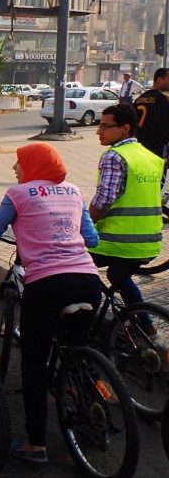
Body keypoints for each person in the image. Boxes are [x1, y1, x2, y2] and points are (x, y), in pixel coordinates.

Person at [0, 143, 101, 464]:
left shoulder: (18, 194)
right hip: (88, 281)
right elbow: (93, 239)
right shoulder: (74, 190)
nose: (16, 169)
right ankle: (90, 413)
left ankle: (36, 444)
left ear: (33, 165)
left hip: (46, 284)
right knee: (79, 351)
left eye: (20, 163)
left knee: (34, 364)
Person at [88, 104, 165, 340]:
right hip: (150, 242)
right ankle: (148, 329)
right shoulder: (151, 157)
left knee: (75, 266)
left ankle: (84, 324)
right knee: (117, 276)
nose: (99, 132)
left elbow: (103, 201)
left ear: (125, 129)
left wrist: (83, 227)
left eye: (105, 126)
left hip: (117, 241)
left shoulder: (115, 156)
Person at [133, 67, 169, 159]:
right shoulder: (163, 99)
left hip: (138, 145)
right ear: (160, 80)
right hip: (156, 148)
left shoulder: (139, 99)